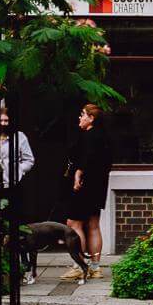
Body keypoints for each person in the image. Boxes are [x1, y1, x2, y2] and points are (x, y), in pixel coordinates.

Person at [64, 102, 113, 280]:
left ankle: (78, 266)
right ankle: (96, 267)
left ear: (91, 118)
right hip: (98, 186)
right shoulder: (104, 137)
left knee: (73, 224)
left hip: (84, 185)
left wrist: (78, 175)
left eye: (82, 114)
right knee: (93, 224)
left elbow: (85, 160)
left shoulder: (88, 136)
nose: (80, 117)